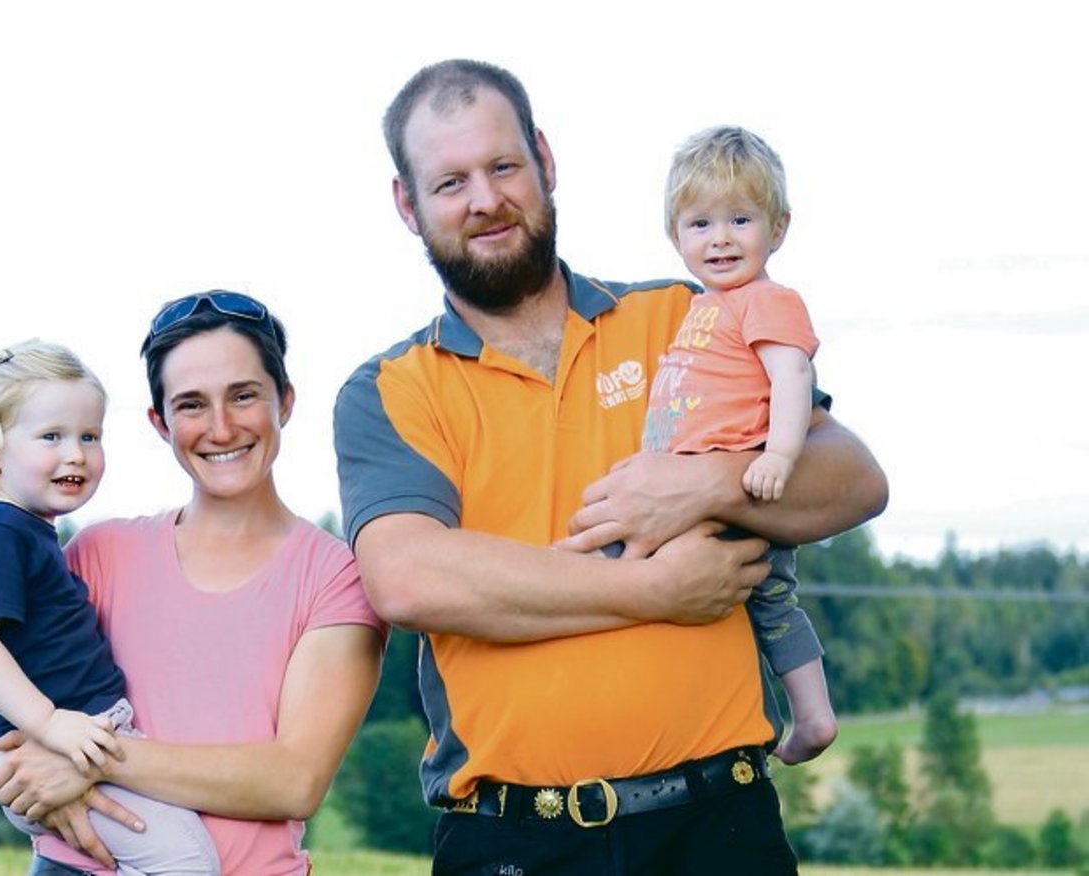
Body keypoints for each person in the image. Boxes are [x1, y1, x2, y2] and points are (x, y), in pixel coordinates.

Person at [333, 59, 887, 875]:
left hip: (718, 823)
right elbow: (411, 579)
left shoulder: (684, 314)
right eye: (450, 182)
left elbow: (853, 479)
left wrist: (706, 483)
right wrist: (651, 591)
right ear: (407, 205)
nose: (484, 199)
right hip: (511, 838)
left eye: (503, 166)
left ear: (546, 163)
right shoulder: (390, 389)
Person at [0, 295, 386, 876]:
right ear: (161, 422)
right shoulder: (97, 555)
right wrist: (50, 782)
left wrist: (95, 762)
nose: (221, 427)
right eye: (192, 404)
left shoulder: (336, 577)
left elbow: (294, 781)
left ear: (285, 401)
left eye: (244, 395)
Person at [0, 339, 220, 875]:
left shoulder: (32, 533)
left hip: (80, 741)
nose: (76, 453)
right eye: (52, 436)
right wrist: (49, 724)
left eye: (90, 436)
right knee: (187, 862)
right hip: (58, 746)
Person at [642, 124, 837, 766]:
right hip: (684, 494)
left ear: (777, 229)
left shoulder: (769, 300)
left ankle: (812, 717)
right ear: (676, 235)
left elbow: (793, 377)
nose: (720, 237)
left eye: (740, 219)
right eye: (699, 224)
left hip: (739, 491)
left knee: (772, 602)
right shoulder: (703, 306)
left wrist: (776, 458)